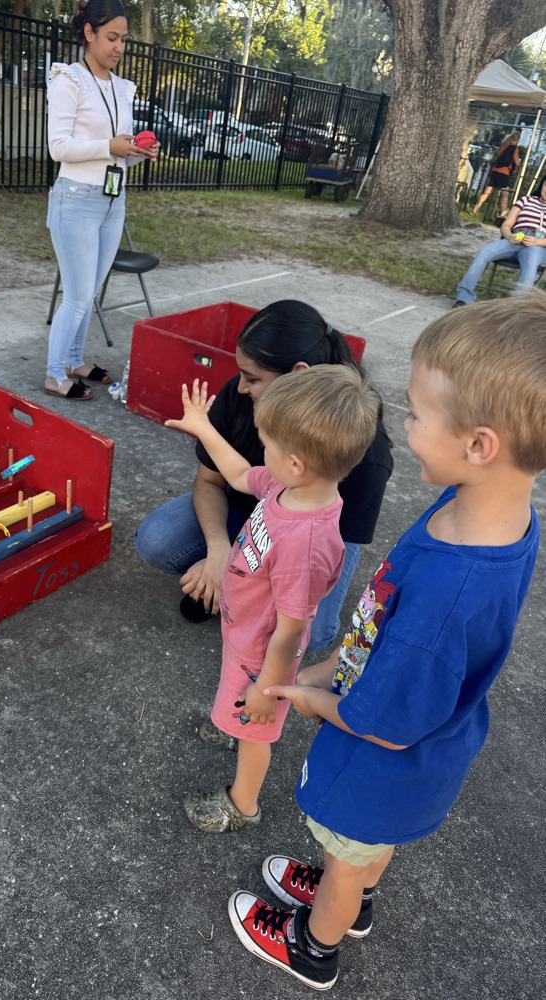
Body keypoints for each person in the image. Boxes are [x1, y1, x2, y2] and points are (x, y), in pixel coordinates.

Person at [226, 293, 546, 991]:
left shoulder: (447, 592)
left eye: (416, 414)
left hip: (380, 762)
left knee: (347, 855)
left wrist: (309, 695)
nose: (403, 425)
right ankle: (355, 899)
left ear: (479, 445)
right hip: (427, 751)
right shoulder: (490, 509)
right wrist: (337, 661)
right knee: (368, 851)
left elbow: (386, 725)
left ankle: (315, 945)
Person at [165, 368, 380, 834]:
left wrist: (266, 689)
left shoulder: (305, 544)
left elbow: (291, 631)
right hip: (245, 630)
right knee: (240, 702)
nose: (260, 452)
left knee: (256, 729)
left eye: (265, 444)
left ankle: (241, 805)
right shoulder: (289, 487)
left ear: (296, 462)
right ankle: (234, 719)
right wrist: (203, 427)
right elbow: (241, 474)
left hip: (262, 654)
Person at [135, 301, 393, 654]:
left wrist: (234, 576)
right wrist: (219, 552)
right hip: (258, 524)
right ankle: (228, 587)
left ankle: (229, 593)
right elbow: (229, 476)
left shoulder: (365, 455)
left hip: (310, 544)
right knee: (157, 539)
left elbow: (318, 553)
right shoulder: (267, 467)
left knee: (310, 636)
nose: (240, 387)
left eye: (253, 378)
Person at [45, 0, 159, 400]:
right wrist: (109, 145)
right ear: (89, 33)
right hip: (76, 198)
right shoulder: (68, 80)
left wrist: (137, 151)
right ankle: (54, 374)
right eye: (112, 37)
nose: (119, 47)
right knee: (77, 296)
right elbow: (58, 147)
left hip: (113, 200)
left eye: (124, 39)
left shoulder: (121, 88)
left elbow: (116, 152)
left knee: (89, 292)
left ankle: (75, 361)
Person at [453, 174, 546, 306]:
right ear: (542, 184)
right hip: (515, 239)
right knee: (484, 253)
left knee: (531, 262)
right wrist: (509, 236)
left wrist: (536, 242)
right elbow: (506, 225)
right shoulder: (526, 200)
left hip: (539, 244)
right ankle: (463, 298)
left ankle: (517, 308)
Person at [473, 131, 520, 217]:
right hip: (504, 172)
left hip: (495, 170)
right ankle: (503, 212)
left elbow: (498, 155)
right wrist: (517, 165)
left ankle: (476, 208)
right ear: (517, 140)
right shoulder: (514, 148)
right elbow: (517, 162)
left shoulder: (503, 146)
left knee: (487, 191)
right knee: (505, 193)